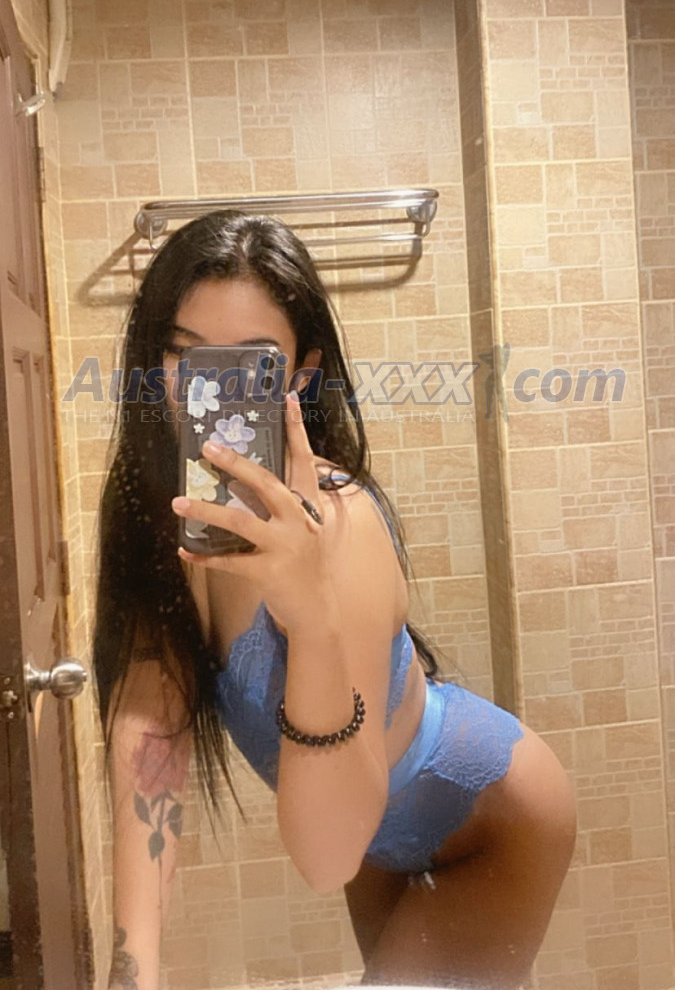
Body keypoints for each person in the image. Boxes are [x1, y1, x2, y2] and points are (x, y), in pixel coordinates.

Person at [94, 209, 576, 990]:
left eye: (250, 365)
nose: (212, 391)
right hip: (374, 823)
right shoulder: (158, 522)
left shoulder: (342, 529)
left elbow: (323, 862)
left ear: (300, 375)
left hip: (492, 815)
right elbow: (150, 731)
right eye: (185, 354)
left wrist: (311, 618)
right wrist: (131, 968)